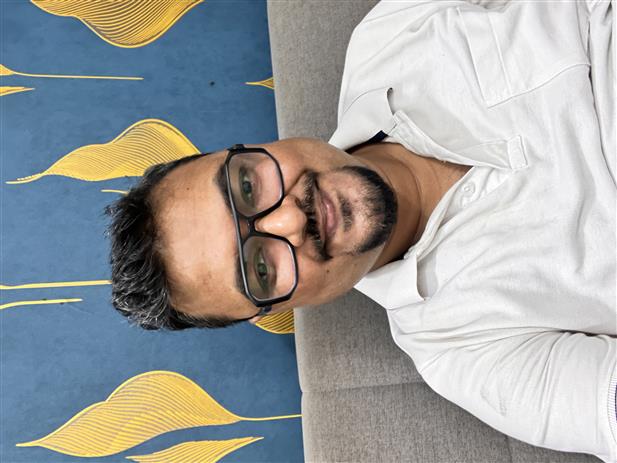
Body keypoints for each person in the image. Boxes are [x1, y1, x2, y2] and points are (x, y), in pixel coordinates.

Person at [106, 1, 616, 461]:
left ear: (246, 148)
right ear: (280, 307)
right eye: (261, 267)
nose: (290, 220)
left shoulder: (389, 34)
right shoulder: (465, 354)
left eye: (246, 185)